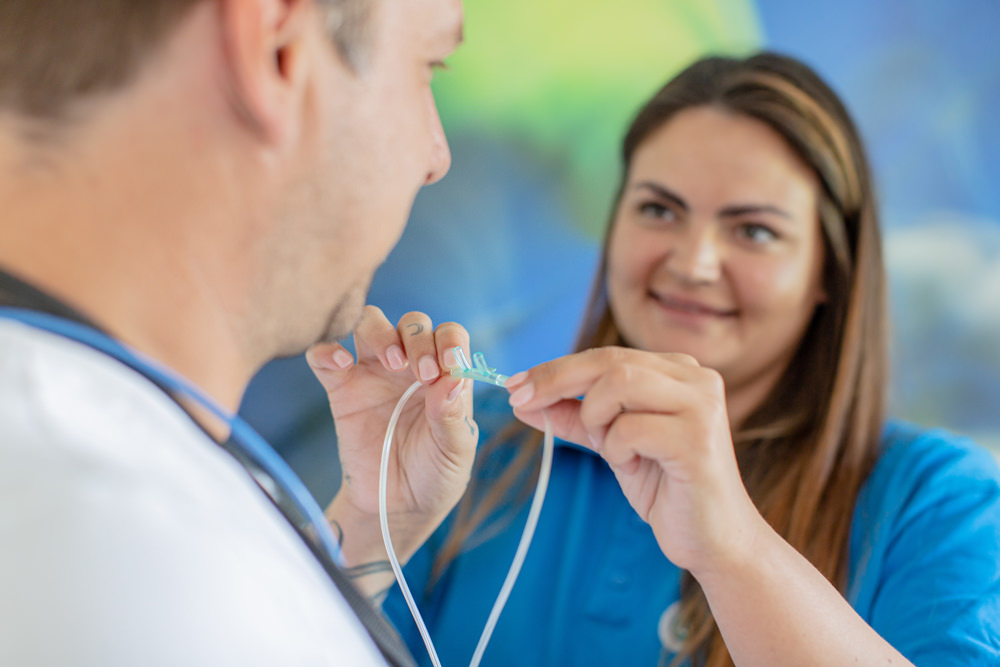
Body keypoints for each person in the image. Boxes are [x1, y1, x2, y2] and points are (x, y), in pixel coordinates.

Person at [381, 53, 1000, 666]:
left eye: (753, 230)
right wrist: (370, 518)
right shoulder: (469, 442)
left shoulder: (940, 503)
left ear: (829, 273)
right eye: (659, 209)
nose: (692, 263)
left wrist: (734, 549)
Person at [0, 0, 481, 665]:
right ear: (276, 47)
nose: (437, 155)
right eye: (427, 65)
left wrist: (372, 530)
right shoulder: (140, 569)